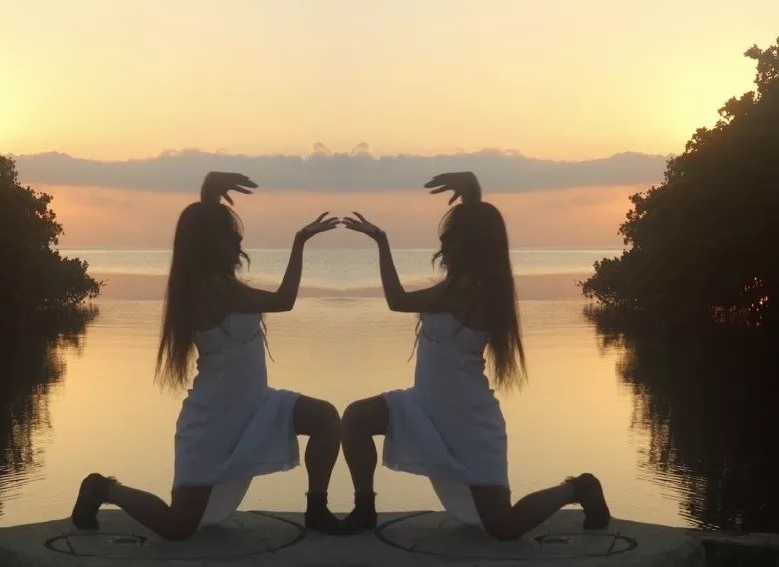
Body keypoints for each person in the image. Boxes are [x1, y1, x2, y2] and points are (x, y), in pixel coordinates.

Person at [71, 172, 345, 539]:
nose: (239, 243)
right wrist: (299, 243)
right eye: (231, 238)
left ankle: (316, 510)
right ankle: (102, 488)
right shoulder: (208, 290)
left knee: (325, 418)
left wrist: (210, 194)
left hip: (257, 406)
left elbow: (202, 228)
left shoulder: (217, 283)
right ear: (211, 245)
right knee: (178, 526)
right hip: (213, 422)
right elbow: (284, 300)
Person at [339, 172, 610, 539]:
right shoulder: (470, 281)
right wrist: (471, 192)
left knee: (503, 526)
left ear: (468, 245)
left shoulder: (468, 288)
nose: (444, 243)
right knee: (356, 418)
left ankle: (578, 489)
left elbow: (397, 300)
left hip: (468, 422)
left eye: (451, 238)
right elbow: (479, 225)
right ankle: (365, 509)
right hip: (424, 406)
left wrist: (382, 242)